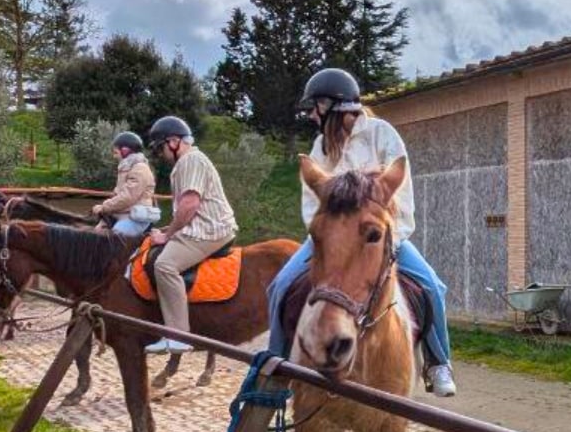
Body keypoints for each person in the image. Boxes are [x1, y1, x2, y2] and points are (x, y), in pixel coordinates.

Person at [267, 67, 458, 396]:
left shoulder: (383, 134)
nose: (312, 115)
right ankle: (277, 362)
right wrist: (326, 238)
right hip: (333, 240)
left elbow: (402, 190)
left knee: (431, 286)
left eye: (316, 107)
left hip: (378, 237)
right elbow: (311, 203)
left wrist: (390, 240)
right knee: (280, 285)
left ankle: (438, 362)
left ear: (334, 105)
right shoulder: (320, 148)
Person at [143, 116, 238, 354]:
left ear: (174, 142)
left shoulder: (190, 161)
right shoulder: (189, 162)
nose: (161, 154)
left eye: (161, 147)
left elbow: (189, 205)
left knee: (165, 265)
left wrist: (167, 236)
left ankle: (178, 336)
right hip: (204, 226)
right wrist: (168, 229)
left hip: (210, 231)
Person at [93, 130, 159, 241]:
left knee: (114, 239)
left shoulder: (140, 169)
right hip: (124, 213)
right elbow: (118, 194)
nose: (114, 157)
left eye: (115, 153)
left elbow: (127, 197)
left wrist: (104, 207)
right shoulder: (126, 168)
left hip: (136, 218)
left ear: (125, 151)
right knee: (97, 232)